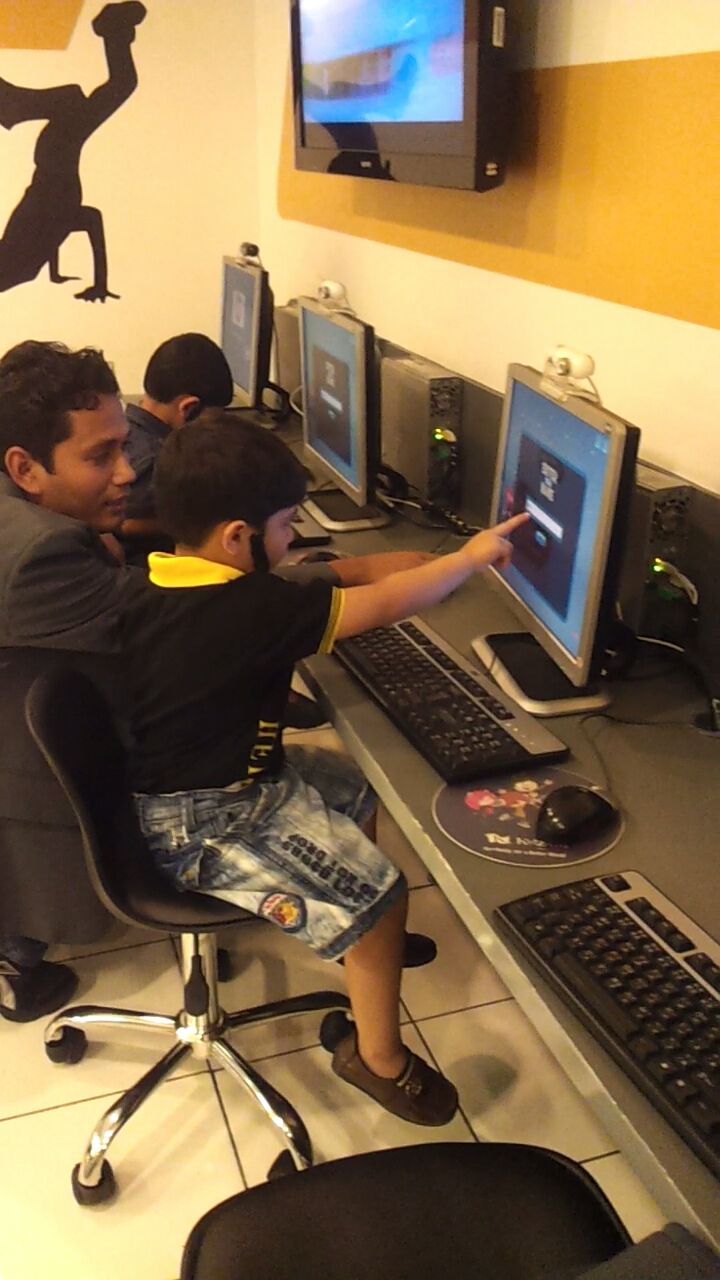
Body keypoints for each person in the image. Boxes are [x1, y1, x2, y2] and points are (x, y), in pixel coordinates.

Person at [0, 339, 437, 1018]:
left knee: (345, 782)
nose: (127, 473)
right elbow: (198, 615)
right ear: (25, 468)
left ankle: (358, 935)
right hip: (99, 784)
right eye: (100, 456)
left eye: (124, 447)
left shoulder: (35, 518)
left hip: (133, 745)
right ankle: (15, 953)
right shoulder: (39, 554)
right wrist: (345, 578)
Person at [119, 412, 528, 1123]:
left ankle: (363, 945)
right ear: (237, 538)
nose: (291, 540)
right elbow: (386, 603)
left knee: (354, 786)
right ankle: (378, 1058)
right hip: (203, 822)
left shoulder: (165, 581)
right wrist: (466, 560)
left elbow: (325, 579)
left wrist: (393, 563)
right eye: (285, 526)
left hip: (207, 784)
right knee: (382, 894)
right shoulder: (247, 609)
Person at [119, 333, 234, 550]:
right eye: (211, 419)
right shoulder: (157, 460)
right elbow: (125, 523)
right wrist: (202, 522)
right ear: (188, 408)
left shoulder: (127, 429)